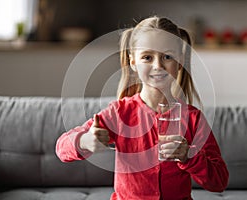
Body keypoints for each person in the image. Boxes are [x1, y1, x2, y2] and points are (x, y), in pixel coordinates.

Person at [56, 16, 229, 200]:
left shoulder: (193, 118)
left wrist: (189, 156)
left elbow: (219, 181)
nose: (158, 66)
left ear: (179, 62)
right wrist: (85, 140)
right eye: (147, 57)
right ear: (133, 63)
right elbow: (61, 148)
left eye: (167, 57)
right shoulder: (119, 113)